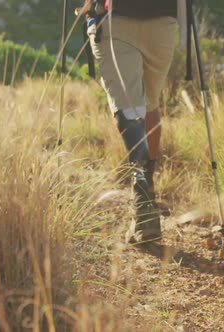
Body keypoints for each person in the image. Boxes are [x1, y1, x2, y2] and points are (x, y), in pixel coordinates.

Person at [85, 0, 186, 243]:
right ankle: (146, 199)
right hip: (163, 23)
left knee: (132, 108)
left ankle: (144, 206)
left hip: (116, 20)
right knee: (147, 106)